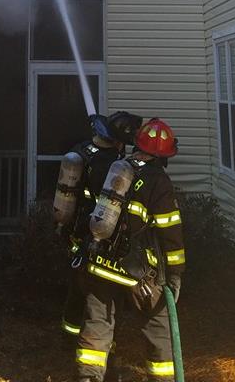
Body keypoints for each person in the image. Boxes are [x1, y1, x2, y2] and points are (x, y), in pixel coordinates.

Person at [75, 118, 185, 382]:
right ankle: (163, 379)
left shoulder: (115, 167)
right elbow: (170, 234)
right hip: (138, 273)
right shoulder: (159, 181)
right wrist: (175, 275)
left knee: (97, 324)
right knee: (158, 326)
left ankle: (88, 378)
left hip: (100, 262)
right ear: (163, 155)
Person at [53, 111, 143, 339]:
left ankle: (69, 333)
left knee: (77, 287)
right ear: (117, 139)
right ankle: (100, 345)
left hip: (74, 231)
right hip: (95, 235)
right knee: (101, 295)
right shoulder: (111, 163)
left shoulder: (83, 149)